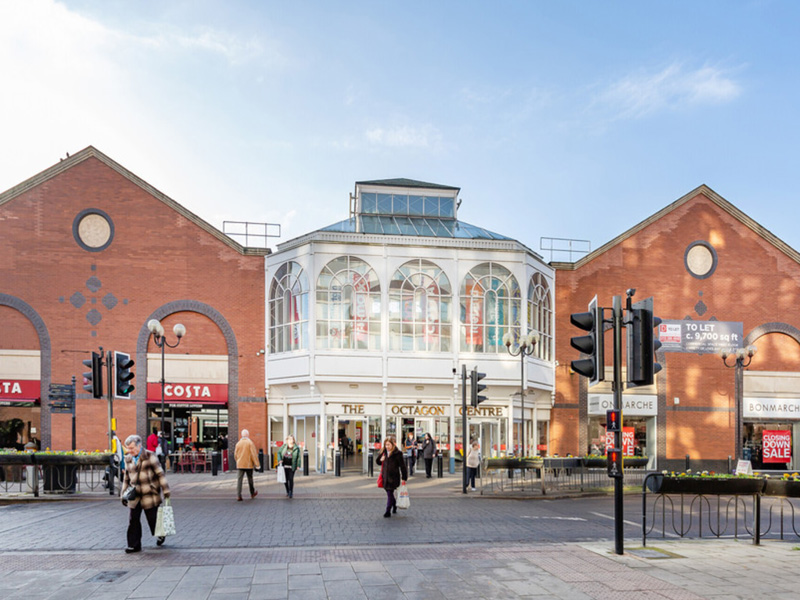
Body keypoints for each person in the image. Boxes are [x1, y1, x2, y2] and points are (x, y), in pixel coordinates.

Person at [120, 434, 170, 553]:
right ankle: (134, 545)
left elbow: (160, 474)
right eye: (128, 448)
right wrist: (123, 494)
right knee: (133, 520)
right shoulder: (128, 458)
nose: (129, 451)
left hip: (150, 493)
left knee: (153, 519)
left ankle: (160, 535)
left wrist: (166, 490)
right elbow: (126, 478)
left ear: (139, 445)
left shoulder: (150, 456)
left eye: (132, 448)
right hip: (135, 494)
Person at [376, 436, 407, 518]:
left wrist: (404, 478)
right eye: (386, 445)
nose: (387, 447)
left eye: (389, 445)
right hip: (385, 478)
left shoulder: (398, 453)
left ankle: (387, 511)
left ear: (393, 445)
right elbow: (377, 462)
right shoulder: (384, 452)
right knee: (390, 494)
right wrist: (380, 460)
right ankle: (394, 504)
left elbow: (403, 467)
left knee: (390, 494)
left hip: (393, 478)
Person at [233, 429, 260, 501]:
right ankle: (252, 493)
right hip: (248, 464)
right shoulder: (250, 443)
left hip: (240, 464)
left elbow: (235, 455)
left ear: (242, 435)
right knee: (250, 479)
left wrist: (237, 461)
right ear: (248, 435)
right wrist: (257, 464)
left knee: (239, 480)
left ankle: (239, 495)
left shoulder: (238, 443)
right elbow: (253, 455)